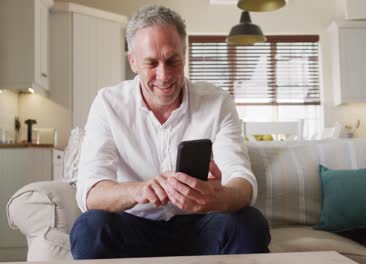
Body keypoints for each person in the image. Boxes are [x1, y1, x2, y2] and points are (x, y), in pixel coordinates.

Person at [70, 4, 270, 259]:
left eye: (172, 60)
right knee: (89, 227)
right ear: (132, 61)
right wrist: (139, 190)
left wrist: (217, 197)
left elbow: (242, 181)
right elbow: (90, 192)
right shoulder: (108, 104)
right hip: (134, 226)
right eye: (151, 63)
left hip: (200, 226)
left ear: (184, 55)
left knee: (249, 222)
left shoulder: (217, 103)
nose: (164, 75)